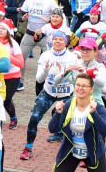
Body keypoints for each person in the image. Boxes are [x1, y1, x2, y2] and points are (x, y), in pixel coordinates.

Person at [21, 31, 82, 160]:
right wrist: (46, 69)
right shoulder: (45, 55)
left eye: (61, 39)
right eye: (55, 39)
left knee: (72, 122)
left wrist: (64, 73)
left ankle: (75, 148)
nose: (58, 41)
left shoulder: (72, 57)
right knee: (34, 118)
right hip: (48, 92)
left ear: (66, 42)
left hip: (66, 94)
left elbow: (76, 81)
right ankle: (28, 147)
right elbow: (39, 79)